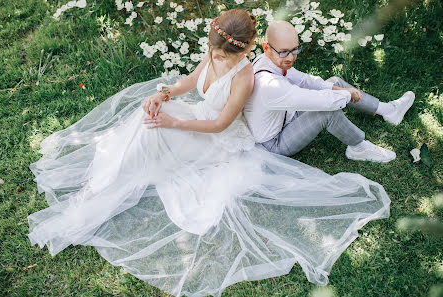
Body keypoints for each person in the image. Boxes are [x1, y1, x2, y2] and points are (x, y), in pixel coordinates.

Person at [27, 9, 390, 297]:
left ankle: (97, 192)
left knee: (152, 134)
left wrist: (172, 123)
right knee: (142, 123)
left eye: (220, 54)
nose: (213, 57)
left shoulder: (246, 76)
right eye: (213, 50)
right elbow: (192, 80)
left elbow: (220, 125)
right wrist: (163, 94)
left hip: (216, 140)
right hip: (193, 120)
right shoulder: (215, 52)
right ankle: (97, 186)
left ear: (246, 51)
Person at [244, 20, 415, 162]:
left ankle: (388, 111)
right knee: (327, 112)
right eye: (284, 52)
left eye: (294, 49)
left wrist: (339, 88)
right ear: (266, 47)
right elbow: (321, 101)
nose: (290, 57)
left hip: (285, 114)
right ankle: (358, 147)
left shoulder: (267, 59)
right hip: (274, 144)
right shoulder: (269, 85)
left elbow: (304, 80)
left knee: (333, 82)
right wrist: (348, 94)